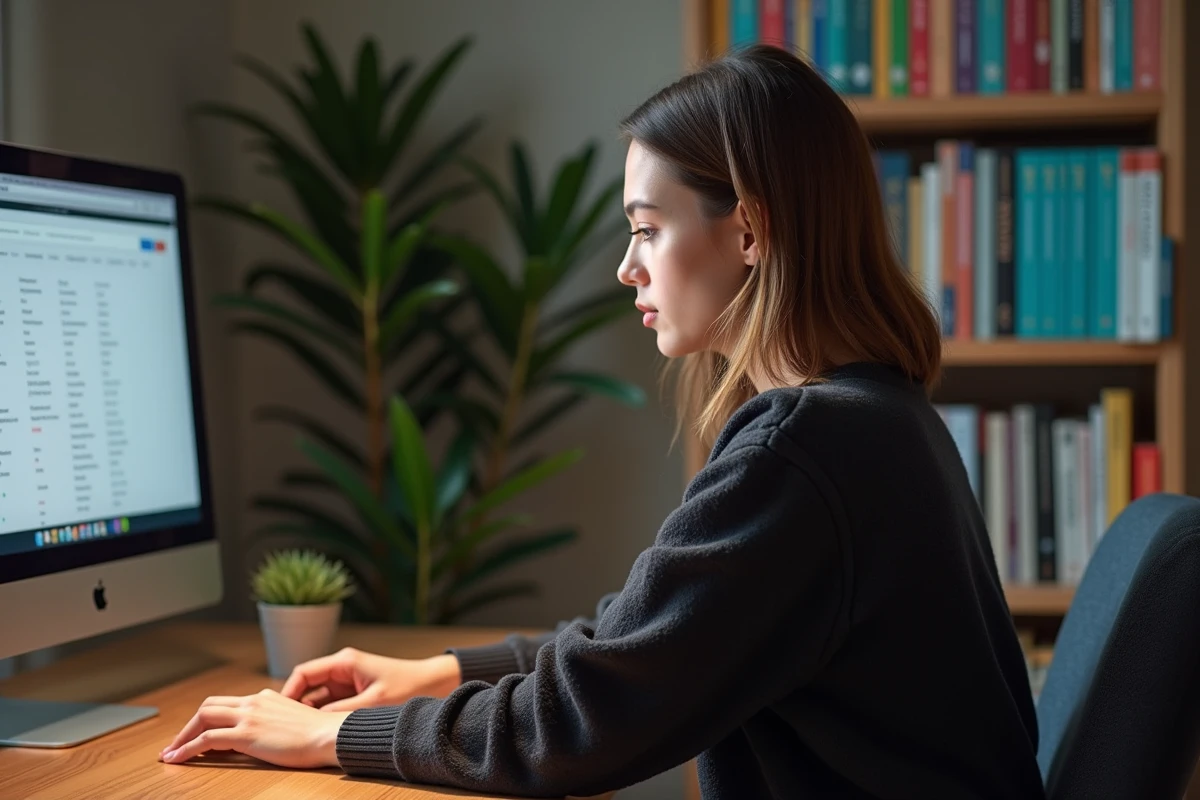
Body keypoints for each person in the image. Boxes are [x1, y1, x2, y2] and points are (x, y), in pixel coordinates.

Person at [160, 44, 1045, 799]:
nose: (628, 268)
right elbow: (652, 642)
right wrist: (444, 672)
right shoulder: (877, 415)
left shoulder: (804, 451)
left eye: (648, 229)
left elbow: (581, 726)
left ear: (749, 232)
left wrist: (329, 739)